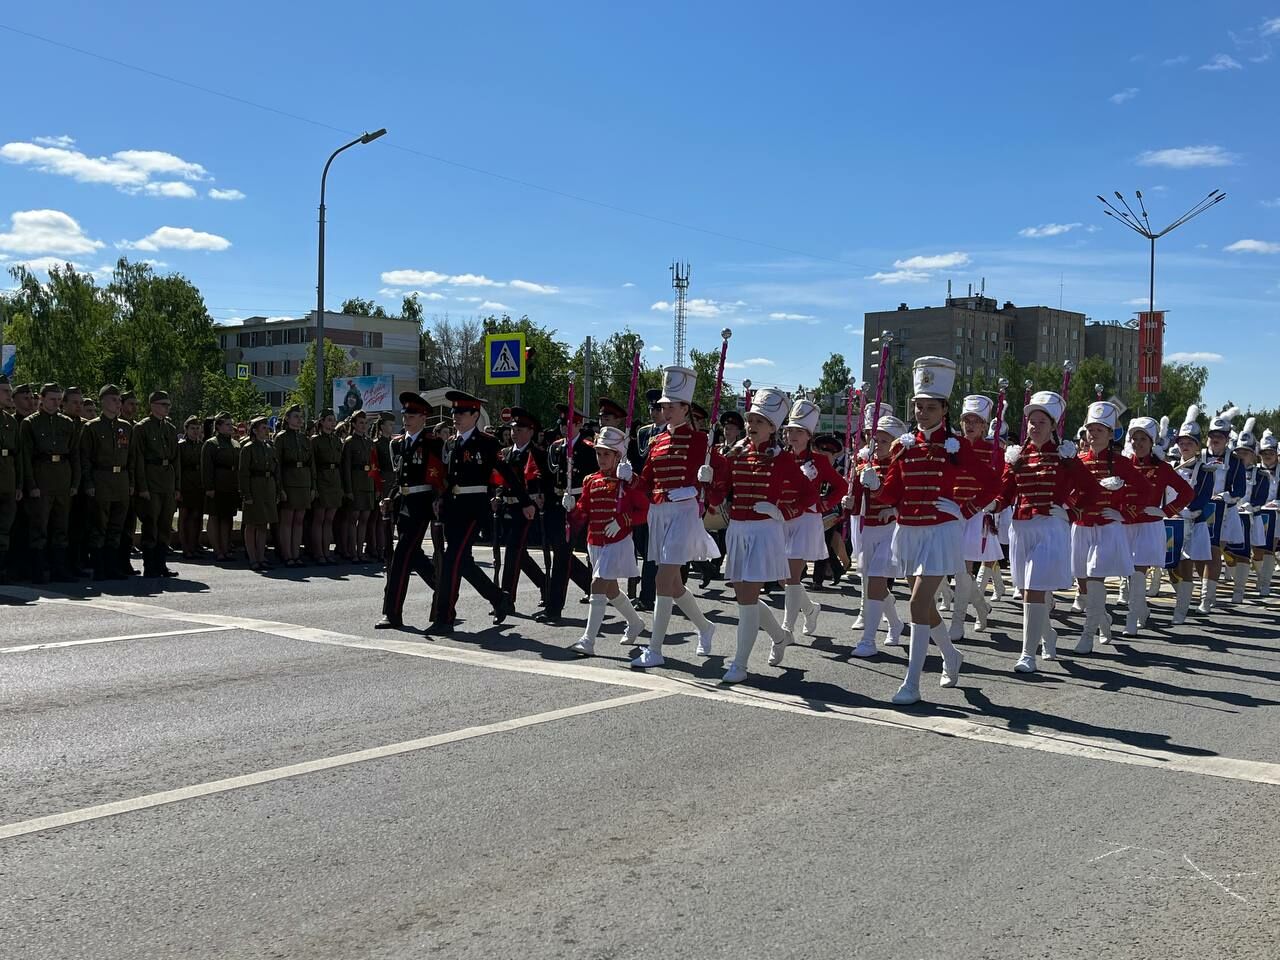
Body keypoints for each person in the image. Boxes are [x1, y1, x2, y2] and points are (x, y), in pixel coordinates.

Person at [868, 358, 999, 704]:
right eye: (918, 407)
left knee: (918, 602)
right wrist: (874, 484)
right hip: (908, 531)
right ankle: (951, 656)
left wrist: (965, 509)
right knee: (923, 608)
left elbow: (993, 484)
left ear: (944, 409)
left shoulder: (957, 446)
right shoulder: (903, 447)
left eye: (930, 407)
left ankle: (911, 682)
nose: (922, 413)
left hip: (940, 531)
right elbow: (891, 494)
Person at [995, 391, 1103, 673]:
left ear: (1053, 425)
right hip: (1021, 527)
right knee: (1029, 590)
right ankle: (1048, 636)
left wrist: (1070, 511)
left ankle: (1027, 654)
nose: (1035, 426)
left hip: (1050, 528)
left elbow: (1090, 490)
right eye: (1032, 421)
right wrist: (985, 506)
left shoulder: (1065, 455)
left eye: (1042, 421)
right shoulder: (1018, 455)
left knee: (1034, 589)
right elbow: (1005, 492)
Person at [719, 389, 815, 682]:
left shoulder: (783, 459)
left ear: (773, 427)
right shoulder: (733, 454)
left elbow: (808, 493)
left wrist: (782, 512)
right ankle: (779, 635)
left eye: (759, 421)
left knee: (748, 597)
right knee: (742, 595)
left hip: (764, 531)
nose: (752, 425)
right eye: (750, 419)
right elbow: (720, 493)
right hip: (737, 529)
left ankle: (740, 664)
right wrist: (707, 481)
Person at [630, 365, 721, 670]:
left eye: (671, 406)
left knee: (662, 578)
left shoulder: (700, 443)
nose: (665, 412)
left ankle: (655, 649)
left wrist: (708, 480)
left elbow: (723, 479)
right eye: (663, 407)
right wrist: (626, 478)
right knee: (673, 585)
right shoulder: (655, 442)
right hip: (659, 513)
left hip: (683, 513)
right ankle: (706, 627)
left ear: (686, 408)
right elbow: (646, 482)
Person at [430, 390, 533, 634]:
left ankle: (444, 618)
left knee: (451, 559)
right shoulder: (452, 442)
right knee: (463, 563)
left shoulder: (487, 443)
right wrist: (440, 499)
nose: (456, 416)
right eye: (454, 412)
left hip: (474, 509)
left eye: (462, 412)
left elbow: (507, 473)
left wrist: (526, 501)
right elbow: (449, 477)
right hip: (453, 509)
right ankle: (499, 599)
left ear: (475, 415)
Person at [1068, 402, 1153, 653]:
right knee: (1083, 585)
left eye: (1099, 430)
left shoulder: (1121, 463)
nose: (1093, 435)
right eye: (1090, 430)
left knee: (1095, 580)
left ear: (1110, 434)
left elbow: (1146, 490)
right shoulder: (1077, 461)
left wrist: (1124, 512)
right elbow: (1066, 491)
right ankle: (1104, 621)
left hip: (1107, 528)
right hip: (1081, 527)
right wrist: (1071, 507)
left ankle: (1087, 634)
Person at [566, 426, 649, 654]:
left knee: (598, 585)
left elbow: (645, 510)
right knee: (611, 590)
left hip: (618, 540)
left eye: (606, 454)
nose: (601, 458)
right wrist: (572, 509)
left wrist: (623, 520)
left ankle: (588, 641)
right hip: (595, 541)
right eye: (598, 453)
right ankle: (636, 623)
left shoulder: (627, 482)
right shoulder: (590, 480)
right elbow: (584, 511)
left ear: (618, 456)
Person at [377, 393, 447, 628]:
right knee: (414, 556)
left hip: (422, 504)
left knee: (401, 557)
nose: (406, 418)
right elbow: (398, 477)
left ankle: (392, 612)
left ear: (423, 417)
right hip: (402, 504)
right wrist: (389, 497)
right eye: (405, 414)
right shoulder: (396, 443)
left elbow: (439, 476)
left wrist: (439, 500)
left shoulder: (432, 442)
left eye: (412, 415)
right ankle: (445, 592)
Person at [1121, 416, 1194, 634]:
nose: (1138, 443)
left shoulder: (1162, 468)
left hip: (1149, 526)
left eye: (1143, 438)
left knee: (1138, 571)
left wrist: (1165, 511)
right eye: (1135, 438)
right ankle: (1141, 610)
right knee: (1129, 572)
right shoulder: (1123, 465)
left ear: (1152, 442)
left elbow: (1187, 492)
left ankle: (1132, 619)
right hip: (1125, 525)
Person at [779, 398, 844, 644]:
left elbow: (840, 486)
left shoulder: (818, 461)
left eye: (798, 431)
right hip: (782, 520)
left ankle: (787, 629)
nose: (792, 435)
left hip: (805, 520)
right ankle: (810, 609)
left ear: (808, 435)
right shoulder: (780, 458)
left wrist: (825, 503)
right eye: (789, 431)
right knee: (784, 578)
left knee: (793, 575)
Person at [845, 414, 907, 658]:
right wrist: (849, 502)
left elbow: (906, 497)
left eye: (884, 440)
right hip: (867, 530)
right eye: (875, 438)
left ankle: (868, 640)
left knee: (877, 582)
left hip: (890, 530)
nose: (877, 443)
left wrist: (893, 509)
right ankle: (895, 623)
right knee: (875, 584)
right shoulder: (862, 465)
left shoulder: (900, 466)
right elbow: (856, 500)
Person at [948, 395, 1002, 640]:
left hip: (976, 514)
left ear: (984, 425)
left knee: (963, 569)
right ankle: (981, 607)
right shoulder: (952, 446)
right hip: (951, 512)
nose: (969, 425)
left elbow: (998, 482)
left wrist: (984, 504)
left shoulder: (993, 450)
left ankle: (958, 621)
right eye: (966, 420)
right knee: (959, 570)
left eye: (975, 421)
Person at [539, 404, 598, 624]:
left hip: (580, 506)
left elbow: (595, 478)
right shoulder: (555, 448)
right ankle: (557, 605)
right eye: (562, 423)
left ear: (579, 424)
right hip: (558, 506)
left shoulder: (588, 448)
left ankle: (558, 607)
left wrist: (582, 499)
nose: (564, 427)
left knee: (577, 554)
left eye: (569, 423)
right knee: (561, 556)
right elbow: (547, 477)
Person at [20, 383, 79, 583]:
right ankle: (37, 570)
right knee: (39, 527)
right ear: (42, 399)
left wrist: (75, 482)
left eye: (58, 399)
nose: (55, 403)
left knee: (61, 527)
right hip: (42, 475)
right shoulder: (30, 423)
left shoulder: (66, 423)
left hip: (62, 475)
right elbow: (25, 458)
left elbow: (74, 454)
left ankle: (59, 569)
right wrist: (31, 485)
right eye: (52, 399)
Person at [496, 407, 550, 611]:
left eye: (520, 429)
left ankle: (506, 599)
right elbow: (502, 481)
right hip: (507, 509)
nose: (514, 432)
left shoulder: (537, 454)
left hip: (526, 509)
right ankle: (545, 584)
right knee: (520, 554)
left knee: (513, 551)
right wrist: (498, 496)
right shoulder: (506, 453)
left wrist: (537, 501)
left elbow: (541, 481)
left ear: (530, 431)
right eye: (513, 428)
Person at [79, 385, 134, 580]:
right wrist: (89, 483)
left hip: (121, 480)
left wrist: (131, 482)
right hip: (101, 479)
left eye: (119, 400)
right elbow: (85, 458)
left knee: (116, 527)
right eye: (114, 400)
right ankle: (99, 567)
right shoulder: (91, 427)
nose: (118, 404)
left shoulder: (126, 427)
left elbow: (132, 457)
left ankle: (113, 566)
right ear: (103, 401)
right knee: (99, 526)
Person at [1170, 407, 1217, 624]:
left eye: (1189, 442)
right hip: (1171, 520)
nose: (1185, 446)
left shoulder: (1206, 470)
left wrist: (1189, 511)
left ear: (1198, 446)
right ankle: (1182, 597)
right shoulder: (1169, 466)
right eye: (1182, 442)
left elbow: (1204, 496)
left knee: (1186, 563)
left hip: (1193, 520)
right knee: (1170, 565)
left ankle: (1181, 609)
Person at [131, 390, 181, 579]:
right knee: (150, 524)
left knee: (165, 524)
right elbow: (139, 459)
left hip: (167, 481)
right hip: (151, 480)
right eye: (163, 404)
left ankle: (161, 564)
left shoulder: (169, 428)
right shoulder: (142, 428)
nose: (167, 408)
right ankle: (149, 565)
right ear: (152, 406)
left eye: (168, 405)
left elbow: (176, 460)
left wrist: (177, 486)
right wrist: (142, 487)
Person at [1225, 418, 1270, 603]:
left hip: (1252, 516)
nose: (1242, 456)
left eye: (1246, 452)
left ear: (1253, 455)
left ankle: (1258, 581)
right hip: (1231, 515)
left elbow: (1261, 496)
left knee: (1256, 553)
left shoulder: (1261, 474)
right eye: (1239, 452)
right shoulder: (1229, 470)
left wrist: (1253, 506)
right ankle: (1239, 583)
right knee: (1228, 552)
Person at [631, 389, 665, 610]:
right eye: (652, 409)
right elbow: (636, 459)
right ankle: (642, 591)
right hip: (639, 495)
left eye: (658, 409)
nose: (653, 413)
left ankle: (647, 595)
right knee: (639, 546)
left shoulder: (671, 434)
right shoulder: (643, 432)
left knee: (652, 548)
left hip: (657, 497)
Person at [274, 404, 315, 568]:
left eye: (301, 417)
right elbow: (277, 465)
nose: (299, 420)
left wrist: (313, 487)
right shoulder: (281, 438)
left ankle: (296, 554)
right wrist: (280, 488)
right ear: (287, 419)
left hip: (303, 482)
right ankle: (287, 555)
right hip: (289, 482)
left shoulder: (305, 439)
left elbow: (311, 465)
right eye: (296, 416)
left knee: (299, 520)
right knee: (287, 521)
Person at [239, 417, 279, 571]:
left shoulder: (270, 447)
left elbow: (276, 471)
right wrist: (246, 494)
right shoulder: (248, 448)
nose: (266, 431)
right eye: (263, 428)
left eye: (267, 428)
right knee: (251, 524)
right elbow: (243, 473)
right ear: (254, 430)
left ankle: (261, 556)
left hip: (268, 487)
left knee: (263, 524)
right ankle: (253, 557)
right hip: (254, 487)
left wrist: (277, 489)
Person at [202, 412, 241, 563]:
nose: (231, 427)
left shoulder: (235, 443)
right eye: (227, 424)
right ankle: (217, 550)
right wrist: (209, 487)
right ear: (218, 427)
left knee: (227, 518)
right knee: (215, 517)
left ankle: (225, 548)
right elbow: (207, 468)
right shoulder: (211, 444)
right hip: (217, 485)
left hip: (231, 485)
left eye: (231, 424)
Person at [340, 411, 377, 563]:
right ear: (354, 424)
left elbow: (374, 466)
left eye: (365, 423)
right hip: (355, 483)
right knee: (353, 518)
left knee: (364, 519)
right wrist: (348, 489)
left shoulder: (369, 442)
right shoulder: (349, 442)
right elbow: (346, 467)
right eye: (360, 423)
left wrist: (375, 487)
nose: (363, 426)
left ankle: (360, 551)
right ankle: (351, 551)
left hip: (367, 483)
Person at [61, 386, 89, 575]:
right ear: (64, 404)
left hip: (83, 483)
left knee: (80, 526)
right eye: (74, 402)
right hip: (61, 481)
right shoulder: (60, 423)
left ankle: (77, 563)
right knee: (61, 525)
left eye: (81, 403)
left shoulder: (87, 425)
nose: (78, 406)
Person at [310, 409, 344, 564]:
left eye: (333, 420)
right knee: (319, 519)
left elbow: (341, 464)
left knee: (329, 519)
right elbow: (313, 465)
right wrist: (314, 486)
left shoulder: (337, 440)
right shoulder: (315, 440)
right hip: (322, 479)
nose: (332, 422)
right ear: (322, 422)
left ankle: (326, 552)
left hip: (334, 479)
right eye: (329, 420)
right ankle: (318, 553)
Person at [0, 376, 23, 582]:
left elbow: (18, 456)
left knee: (5, 527)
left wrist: (18, 484)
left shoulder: (10, 421)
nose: (10, 395)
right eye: (5, 391)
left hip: (7, 479)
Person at [177, 416, 206, 559]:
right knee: (184, 517)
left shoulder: (202, 445)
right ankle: (185, 547)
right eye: (192, 428)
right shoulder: (181, 446)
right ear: (186, 430)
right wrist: (178, 488)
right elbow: (178, 468)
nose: (195, 431)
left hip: (198, 485)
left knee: (197, 516)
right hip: (185, 484)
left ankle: (195, 545)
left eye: (197, 428)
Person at [1257, 430, 1280, 597]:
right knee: (1256, 551)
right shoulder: (1255, 471)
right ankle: (1260, 577)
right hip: (1256, 513)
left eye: (1271, 453)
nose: (1268, 456)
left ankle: (1265, 583)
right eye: (1265, 453)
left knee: (1269, 548)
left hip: (1276, 514)